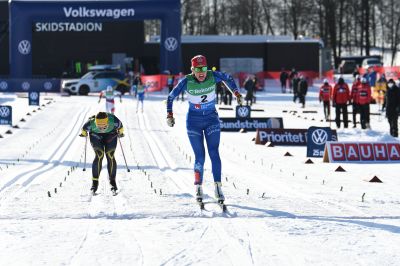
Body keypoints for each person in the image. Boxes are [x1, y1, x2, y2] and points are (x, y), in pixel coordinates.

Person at [165, 55, 243, 204]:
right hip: (193, 122)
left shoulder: (213, 76)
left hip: (211, 119)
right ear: (192, 69)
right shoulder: (186, 81)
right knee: (200, 156)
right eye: (198, 69)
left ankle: (218, 187)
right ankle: (198, 186)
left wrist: (236, 93)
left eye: (204, 69)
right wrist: (169, 115)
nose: (201, 73)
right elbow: (170, 97)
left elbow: (228, 78)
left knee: (214, 152)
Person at [79, 112, 125, 195]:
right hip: (96, 135)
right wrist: (83, 134)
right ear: (95, 122)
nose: (101, 127)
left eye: (103, 125)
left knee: (110, 155)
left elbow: (121, 127)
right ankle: (95, 182)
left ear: (107, 122)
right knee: (99, 155)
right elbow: (84, 130)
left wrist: (120, 133)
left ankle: (112, 181)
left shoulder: (114, 122)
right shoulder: (90, 124)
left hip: (111, 135)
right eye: (98, 125)